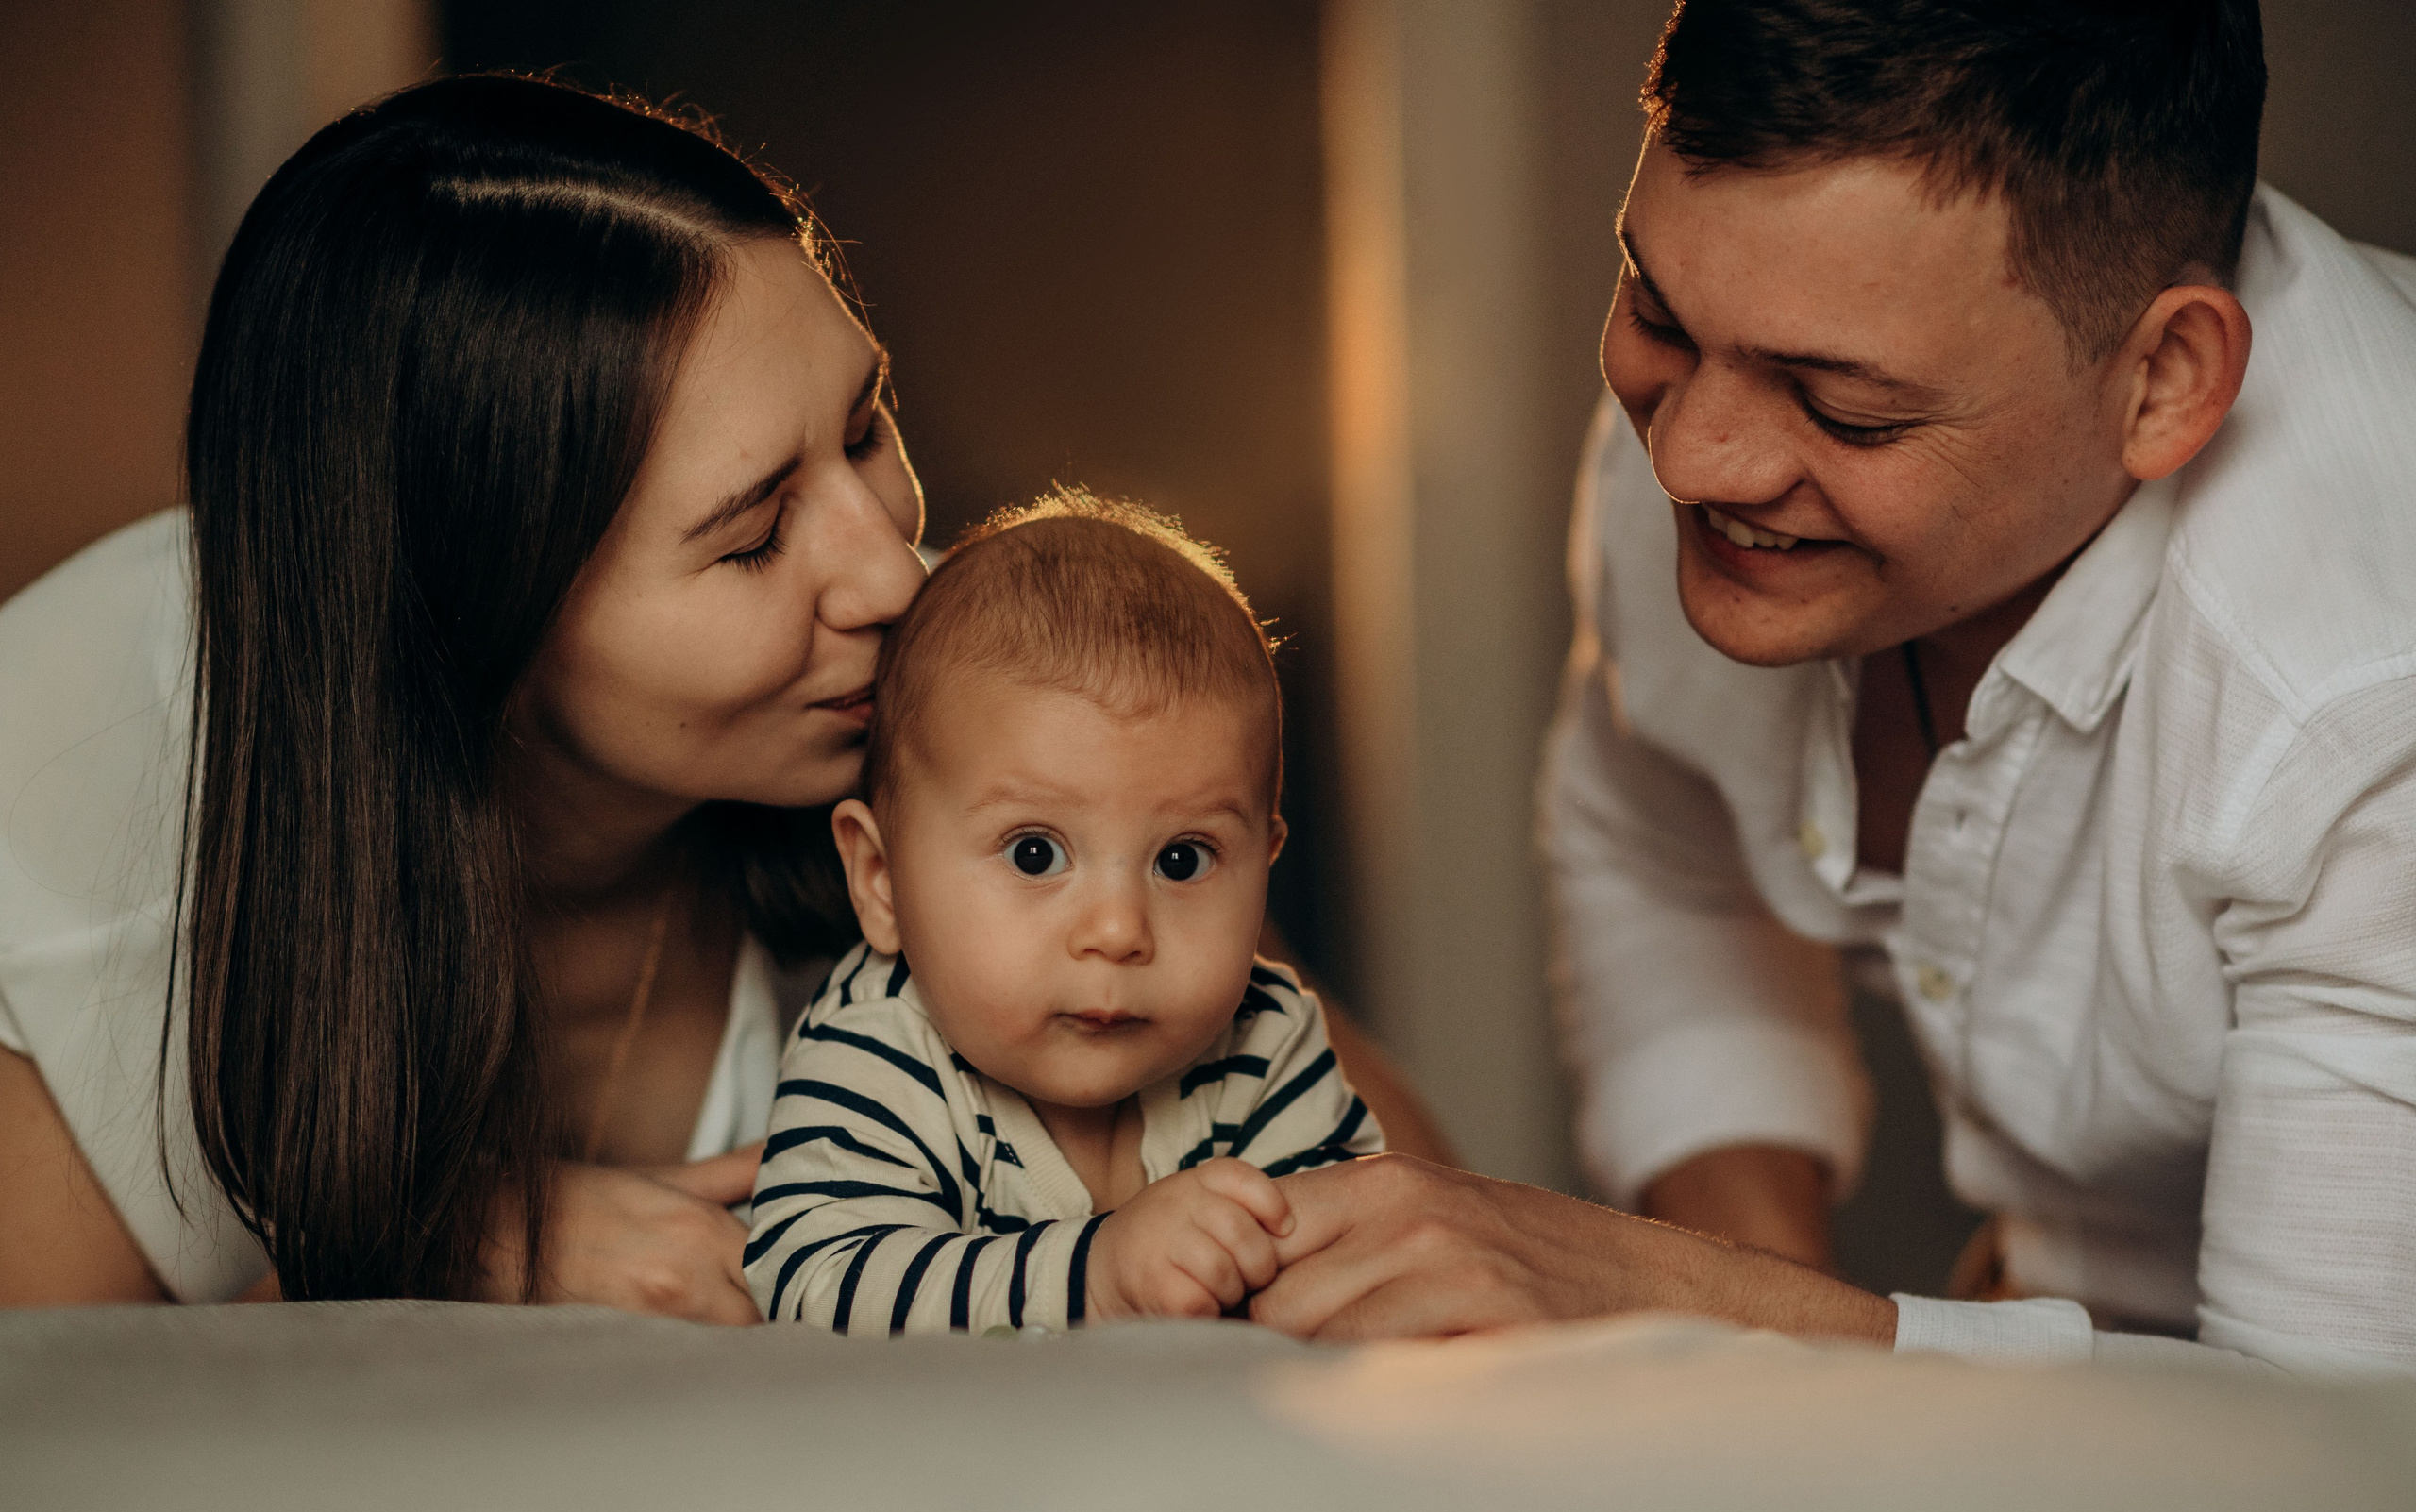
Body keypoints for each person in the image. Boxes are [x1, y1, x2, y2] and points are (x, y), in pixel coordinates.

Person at [0, 76, 1440, 1319]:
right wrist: (457, 1243)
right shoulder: (99, 787)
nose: (890, 573)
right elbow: (61, 1405)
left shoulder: (955, 680)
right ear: (474, 622)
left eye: (867, 427)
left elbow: (1419, 1202)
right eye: (754, 536)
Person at [1250, 0, 2416, 1375]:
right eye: (1656, 312)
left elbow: (2332, 1468)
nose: (1689, 461)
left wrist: (1657, 1286)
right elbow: (1663, 839)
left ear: (2163, 380)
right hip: (2084, 1353)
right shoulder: (1737, 399)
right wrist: (1773, 1328)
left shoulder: (2359, 694)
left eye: (1847, 411)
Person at [747, 495, 1382, 1333]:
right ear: (880, 880)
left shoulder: (1266, 1043)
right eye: (1035, 854)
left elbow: (1358, 1263)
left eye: (1182, 860)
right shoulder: (880, 1050)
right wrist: (1097, 1270)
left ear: (1265, 862)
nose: (1119, 931)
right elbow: (814, 1283)